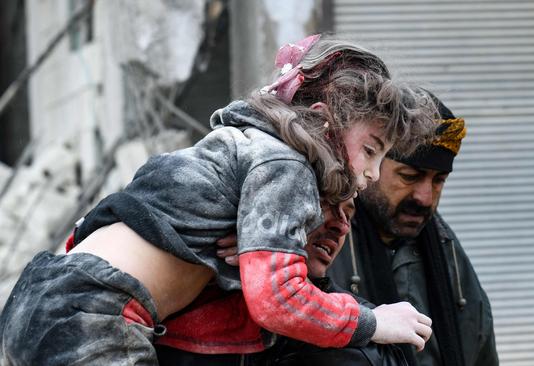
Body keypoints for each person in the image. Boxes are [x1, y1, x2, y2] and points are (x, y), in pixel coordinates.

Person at [0, 35, 435, 365]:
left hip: (44, 298)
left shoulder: (233, 149)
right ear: (323, 123)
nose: (373, 174)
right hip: (93, 316)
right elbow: (279, 301)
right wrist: (374, 322)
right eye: (372, 150)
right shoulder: (285, 164)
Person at [329, 92, 500, 366]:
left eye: (439, 181)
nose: (425, 198)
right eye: (410, 176)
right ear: (370, 164)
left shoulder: (444, 247)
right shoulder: (324, 241)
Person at [157, 199, 410, 366]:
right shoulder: (187, 279)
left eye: (348, 213)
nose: (341, 226)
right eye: (326, 203)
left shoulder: (366, 335)